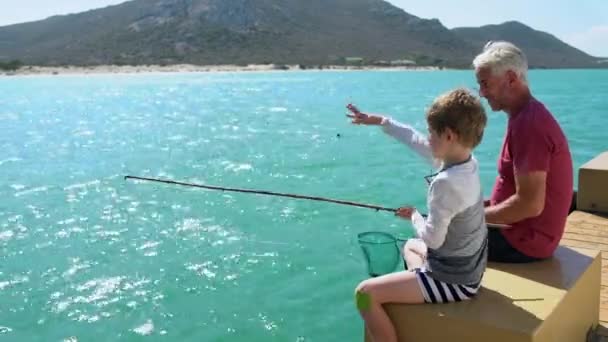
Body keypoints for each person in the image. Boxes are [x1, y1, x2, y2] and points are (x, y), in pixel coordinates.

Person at [349, 88, 488, 342]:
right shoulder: (466, 162)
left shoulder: (446, 183)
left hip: (454, 281)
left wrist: (414, 215)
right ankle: (415, 285)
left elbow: (433, 240)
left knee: (364, 294)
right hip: (470, 270)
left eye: (431, 133)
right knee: (411, 247)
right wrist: (382, 121)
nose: (427, 138)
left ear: (448, 136)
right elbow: (414, 140)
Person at [474, 41, 573, 263]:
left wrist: (472, 219)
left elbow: (530, 204)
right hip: (520, 233)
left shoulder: (530, 125)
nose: (481, 93)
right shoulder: (525, 116)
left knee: (429, 242)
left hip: (523, 242)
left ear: (510, 79)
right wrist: (478, 209)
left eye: (485, 84)